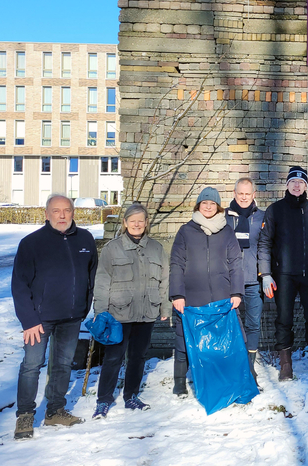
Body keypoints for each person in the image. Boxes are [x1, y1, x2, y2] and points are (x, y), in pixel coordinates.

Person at [12, 194, 97, 439]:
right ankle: (25, 416)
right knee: (31, 366)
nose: (62, 215)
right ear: (47, 214)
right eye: (56, 211)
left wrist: (83, 307)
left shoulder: (85, 239)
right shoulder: (31, 243)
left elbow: (91, 276)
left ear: (73, 212)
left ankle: (55, 410)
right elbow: (19, 285)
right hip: (39, 320)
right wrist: (29, 320)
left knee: (62, 365)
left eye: (67, 210)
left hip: (71, 317)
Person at [92, 203, 170, 418]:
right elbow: (101, 281)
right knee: (113, 357)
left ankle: (131, 395)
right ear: (125, 223)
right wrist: (100, 310)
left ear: (146, 223)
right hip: (118, 314)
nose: (137, 224)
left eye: (141, 220)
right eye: (132, 220)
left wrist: (165, 306)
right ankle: (103, 400)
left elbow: (165, 280)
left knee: (138, 357)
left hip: (147, 313)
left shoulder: (156, 248)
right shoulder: (112, 249)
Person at [258, 167, 308, 379]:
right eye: (293, 182)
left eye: (301, 182)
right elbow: (264, 242)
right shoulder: (275, 210)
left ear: (306, 186)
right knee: (284, 319)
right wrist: (265, 274)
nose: (297, 186)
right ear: (287, 184)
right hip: (283, 276)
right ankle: (286, 366)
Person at [169, 186, 244, 396]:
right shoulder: (186, 231)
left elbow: (236, 262)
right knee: (183, 341)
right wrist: (177, 295)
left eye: (212, 203)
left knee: (221, 343)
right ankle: (180, 383)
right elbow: (176, 263)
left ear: (219, 207)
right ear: (198, 206)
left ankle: (219, 380)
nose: (208, 207)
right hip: (192, 297)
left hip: (221, 296)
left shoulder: (227, 231)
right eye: (204, 203)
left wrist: (236, 292)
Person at [225, 177, 265, 380]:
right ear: (234, 193)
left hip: (253, 280)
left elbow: (267, 246)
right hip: (229, 281)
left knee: (253, 325)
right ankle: (233, 363)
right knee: (230, 324)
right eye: (240, 193)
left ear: (253, 195)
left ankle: (250, 367)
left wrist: (266, 274)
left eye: (247, 194)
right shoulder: (223, 218)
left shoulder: (262, 217)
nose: (243, 197)